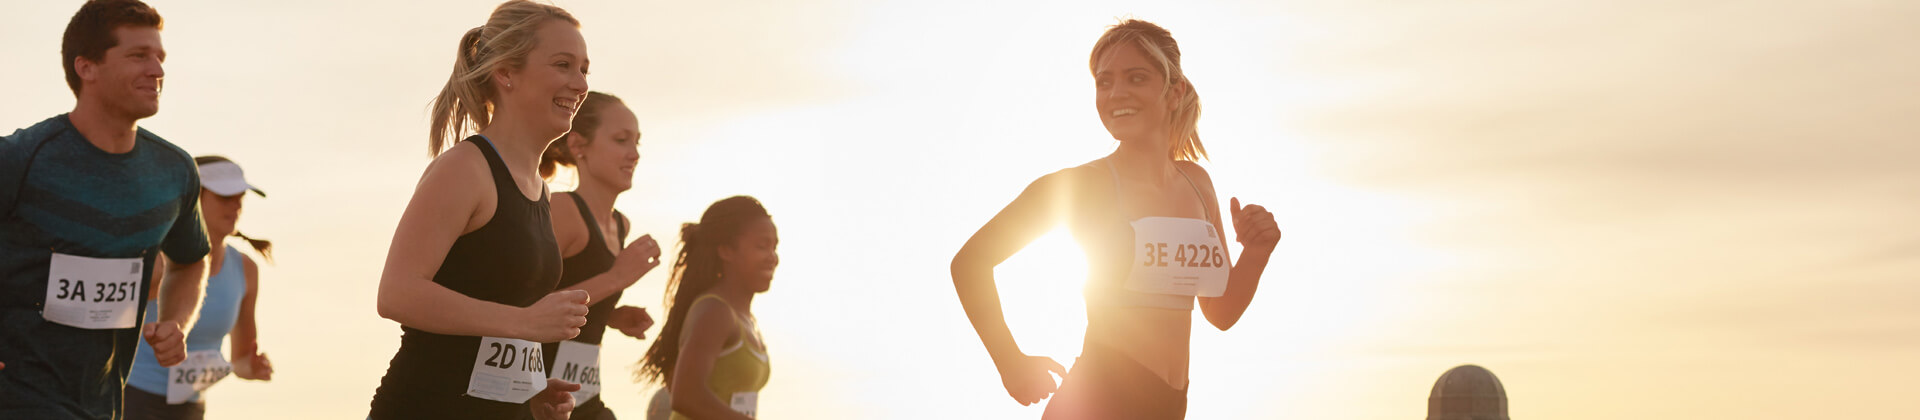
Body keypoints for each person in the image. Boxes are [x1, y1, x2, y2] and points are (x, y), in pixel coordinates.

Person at [950, 19, 1284, 419]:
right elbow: (970, 262)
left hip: (1170, 408)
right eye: (1104, 82)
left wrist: (1257, 253)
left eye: (1136, 78)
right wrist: (1009, 362)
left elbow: (1220, 311)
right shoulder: (1081, 185)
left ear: (1173, 92)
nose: (1116, 93)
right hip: (1096, 401)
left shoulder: (1197, 184)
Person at [367, 2, 653, 419]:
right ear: (506, 73)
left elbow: (496, 316)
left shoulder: (539, 189)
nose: (579, 84)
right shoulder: (466, 168)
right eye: (563, 65)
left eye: (584, 70)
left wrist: (529, 388)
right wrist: (525, 322)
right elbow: (397, 293)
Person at [0, 1, 211, 418]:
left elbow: (190, 262)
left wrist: (176, 322)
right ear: (86, 68)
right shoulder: (20, 158)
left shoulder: (174, 171)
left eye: (159, 57)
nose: (157, 70)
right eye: (138, 56)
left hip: (102, 404)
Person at [537, 91, 663, 420]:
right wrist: (615, 278)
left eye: (637, 142)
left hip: (585, 398)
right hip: (539, 401)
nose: (634, 154)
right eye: (621, 140)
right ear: (578, 146)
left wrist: (610, 315)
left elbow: (575, 292)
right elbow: (523, 308)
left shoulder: (621, 224)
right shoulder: (562, 210)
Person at [123, 156, 276, 420]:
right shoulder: (157, 258)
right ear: (194, 198)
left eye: (240, 196)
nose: (236, 206)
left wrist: (252, 368)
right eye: (224, 197)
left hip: (191, 407)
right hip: (132, 399)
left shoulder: (246, 269)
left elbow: (239, 359)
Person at [638, 196, 777, 420]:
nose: (772, 257)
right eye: (762, 246)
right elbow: (686, 396)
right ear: (726, 251)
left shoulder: (745, 318)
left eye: (774, 247)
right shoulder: (714, 311)